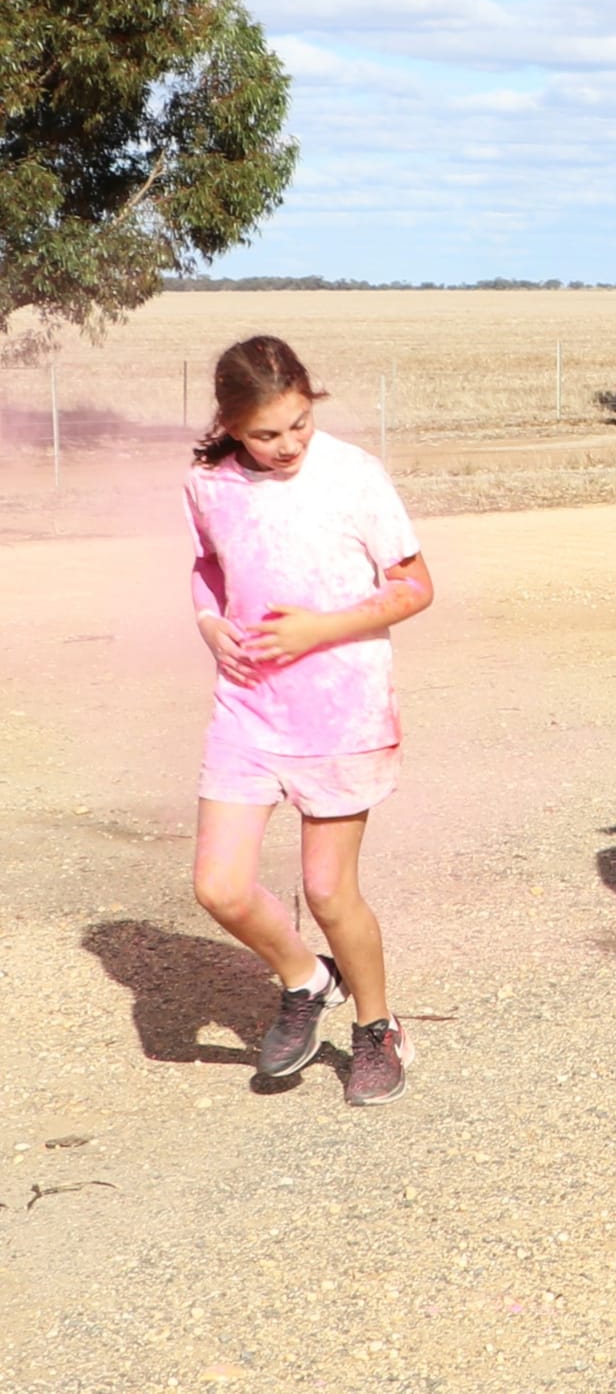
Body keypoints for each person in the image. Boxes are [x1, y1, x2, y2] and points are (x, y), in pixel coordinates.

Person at [184, 336, 434, 1106]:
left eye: (298, 423)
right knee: (218, 888)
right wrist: (206, 621)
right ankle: (304, 978)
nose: (288, 445)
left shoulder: (353, 474)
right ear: (228, 424)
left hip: (342, 707)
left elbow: (416, 587)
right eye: (266, 433)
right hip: (248, 706)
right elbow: (206, 567)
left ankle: (378, 1026)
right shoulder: (206, 484)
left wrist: (315, 629)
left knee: (328, 892)